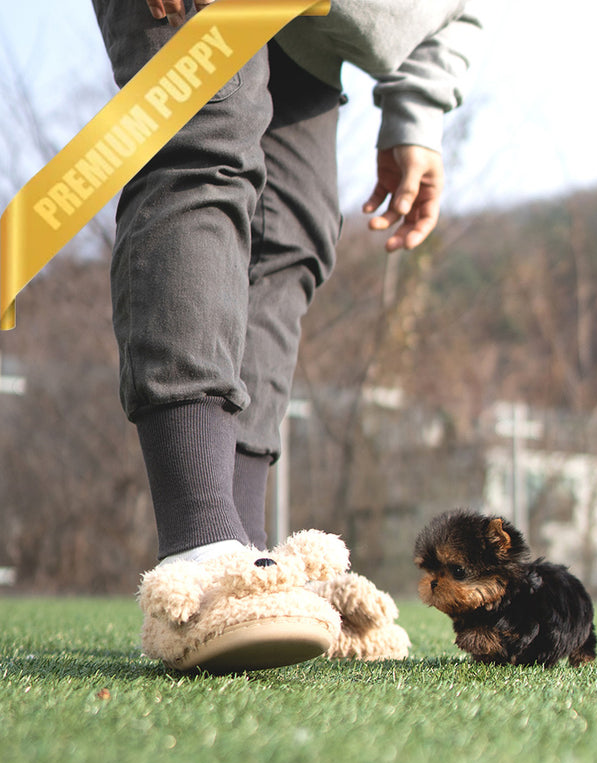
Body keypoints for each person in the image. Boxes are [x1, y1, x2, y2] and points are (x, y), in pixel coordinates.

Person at [91, 0, 482, 669]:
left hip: (311, 27)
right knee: (205, 140)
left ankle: (248, 554)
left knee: (293, 227)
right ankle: (200, 548)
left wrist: (417, 106)